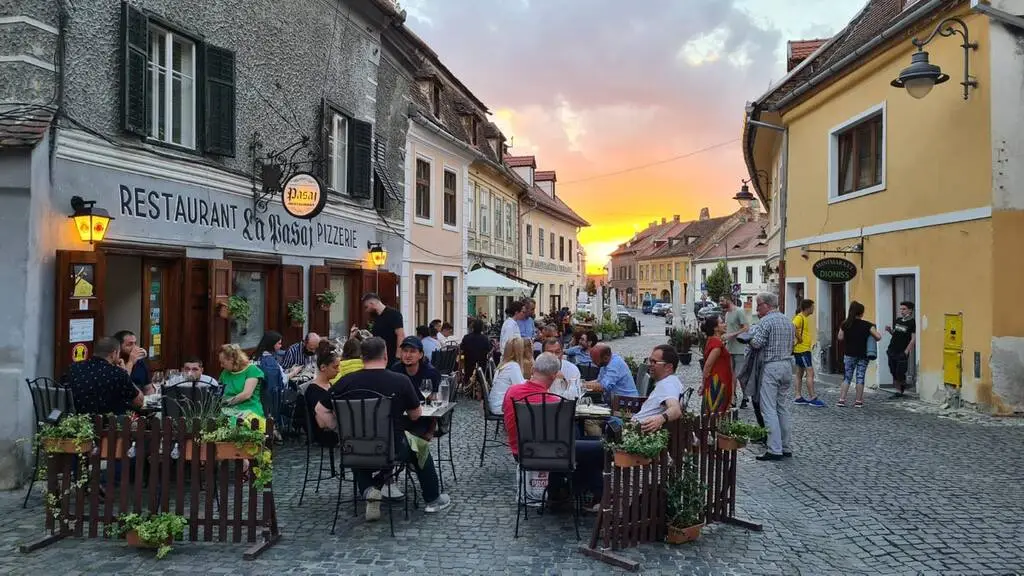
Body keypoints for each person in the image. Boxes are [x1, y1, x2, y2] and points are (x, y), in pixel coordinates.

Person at [320, 337, 452, 519]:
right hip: (392, 447)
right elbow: (415, 414)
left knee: (358, 448)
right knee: (420, 446)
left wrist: (340, 429)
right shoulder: (400, 381)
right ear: (386, 355)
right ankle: (432, 499)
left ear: (362, 357)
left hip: (354, 447)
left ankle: (369, 491)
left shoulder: (346, 381)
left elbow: (320, 409)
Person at [502, 353, 604, 511]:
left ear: (534, 369)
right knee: (601, 448)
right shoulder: (554, 403)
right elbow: (565, 435)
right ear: (554, 375)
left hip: (522, 451)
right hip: (550, 453)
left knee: (590, 446)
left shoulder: (512, 392)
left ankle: (569, 491)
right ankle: (582, 491)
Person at [748, 292, 795, 461]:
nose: (757, 308)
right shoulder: (788, 321)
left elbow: (757, 343)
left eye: (759, 305)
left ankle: (774, 449)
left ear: (767, 305)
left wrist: (749, 338)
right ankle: (786, 446)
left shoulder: (765, 321)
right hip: (787, 366)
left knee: (768, 408)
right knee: (781, 407)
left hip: (771, 366)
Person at [66, 336, 143, 415]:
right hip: (109, 424)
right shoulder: (118, 373)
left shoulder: (74, 368)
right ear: (114, 354)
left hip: (78, 422)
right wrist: (125, 373)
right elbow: (139, 401)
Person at [390, 336, 441, 439]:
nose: (407, 355)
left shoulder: (431, 373)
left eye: (412, 351)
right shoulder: (395, 370)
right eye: (405, 351)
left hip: (422, 420)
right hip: (400, 418)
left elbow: (434, 404)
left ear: (421, 354)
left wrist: (431, 431)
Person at [837, 301, 882, 408]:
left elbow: (840, 337)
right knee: (860, 377)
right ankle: (858, 401)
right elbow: (878, 337)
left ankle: (842, 400)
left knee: (847, 377)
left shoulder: (845, 324)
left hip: (849, 354)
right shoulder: (868, 325)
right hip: (863, 355)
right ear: (861, 313)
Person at [632, 345, 684, 431]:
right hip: (636, 428)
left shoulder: (668, 384)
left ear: (668, 367)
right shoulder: (670, 381)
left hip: (639, 432)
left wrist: (661, 418)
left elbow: (675, 410)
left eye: (654, 362)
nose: (649, 365)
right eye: (649, 361)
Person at [254, 331, 294, 435]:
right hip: (269, 397)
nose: (281, 346)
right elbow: (281, 380)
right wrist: (293, 373)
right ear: (272, 344)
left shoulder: (256, 356)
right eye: (279, 343)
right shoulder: (270, 362)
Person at [302, 341, 341, 448]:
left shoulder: (330, 384)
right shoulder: (313, 391)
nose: (338, 371)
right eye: (335, 367)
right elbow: (322, 422)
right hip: (326, 434)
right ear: (323, 367)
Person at [218, 344, 265, 427]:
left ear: (232, 359)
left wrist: (227, 402)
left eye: (223, 362)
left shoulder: (252, 370)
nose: (221, 366)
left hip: (249, 408)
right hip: (228, 410)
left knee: (236, 425)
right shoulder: (225, 373)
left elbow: (246, 394)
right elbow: (219, 392)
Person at [792, 299, 824, 407]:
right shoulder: (799, 317)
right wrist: (800, 338)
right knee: (810, 373)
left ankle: (798, 397)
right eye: (812, 307)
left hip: (802, 350)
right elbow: (793, 327)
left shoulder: (804, 318)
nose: (814, 309)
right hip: (802, 350)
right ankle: (812, 397)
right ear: (808, 307)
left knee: (799, 374)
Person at [700, 315, 733, 414]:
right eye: (721, 322)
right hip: (717, 382)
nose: (725, 324)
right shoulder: (716, 344)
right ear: (715, 328)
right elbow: (707, 365)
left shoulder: (713, 340)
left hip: (719, 380)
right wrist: (703, 383)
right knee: (716, 411)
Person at [489, 338, 531, 414]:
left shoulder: (504, 364)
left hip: (496, 403)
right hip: (501, 406)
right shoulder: (513, 366)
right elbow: (520, 387)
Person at [720, 296, 749, 408]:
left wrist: (731, 335)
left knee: (738, 376)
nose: (720, 303)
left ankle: (743, 396)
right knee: (732, 375)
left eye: (722, 300)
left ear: (729, 299)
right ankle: (734, 397)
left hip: (740, 349)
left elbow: (746, 328)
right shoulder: (727, 314)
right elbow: (728, 329)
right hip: (730, 349)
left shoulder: (739, 311)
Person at [362, 293, 405, 365]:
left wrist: (398, 356)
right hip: (378, 356)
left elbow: (400, 335)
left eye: (366, 307)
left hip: (391, 356)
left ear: (372, 303)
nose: (366, 310)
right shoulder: (376, 317)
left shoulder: (394, 314)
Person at [885, 301, 916, 396]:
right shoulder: (898, 320)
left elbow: (913, 338)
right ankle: (899, 390)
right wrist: (890, 330)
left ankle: (901, 388)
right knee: (893, 370)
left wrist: (907, 350)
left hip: (902, 351)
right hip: (892, 349)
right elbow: (895, 333)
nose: (901, 311)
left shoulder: (912, 322)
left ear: (910, 310)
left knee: (900, 371)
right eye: (901, 309)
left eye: (904, 309)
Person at [112, 330, 152, 394]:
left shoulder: (140, 362)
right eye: (129, 344)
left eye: (135, 343)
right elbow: (123, 382)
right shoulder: (114, 364)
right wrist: (130, 362)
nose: (134, 347)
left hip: (140, 400)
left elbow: (148, 388)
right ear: (118, 347)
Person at [460, 319, 492, 383]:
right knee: (481, 378)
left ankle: (466, 384)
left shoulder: (466, 337)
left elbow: (462, 347)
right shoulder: (485, 338)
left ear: (473, 327)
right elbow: (489, 349)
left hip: (468, 362)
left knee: (467, 375)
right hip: (481, 362)